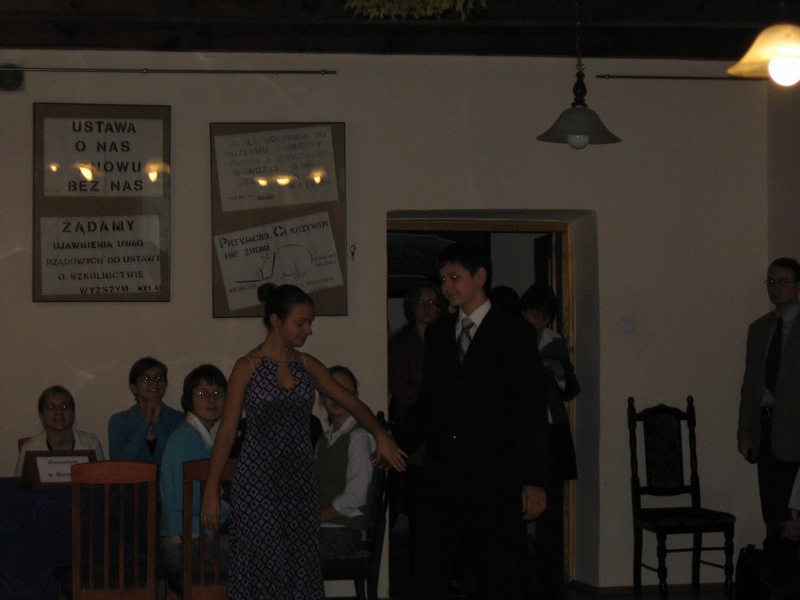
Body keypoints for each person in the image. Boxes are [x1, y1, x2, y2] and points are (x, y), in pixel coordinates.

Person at [200, 283, 406, 599]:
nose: (308, 330)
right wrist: (211, 490)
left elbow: (350, 402)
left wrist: (380, 433)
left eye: (309, 322)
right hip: (257, 483)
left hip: (299, 482)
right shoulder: (247, 367)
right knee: (265, 566)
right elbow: (227, 433)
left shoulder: (307, 364)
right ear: (275, 320)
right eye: (300, 323)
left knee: (299, 565)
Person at [400, 241, 549, 600]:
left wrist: (532, 479)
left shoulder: (514, 332)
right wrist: (395, 444)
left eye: (455, 277)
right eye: (443, 279)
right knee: (429, 570)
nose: (447, 287)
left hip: (494, 475)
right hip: (443, 472)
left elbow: (530, 409)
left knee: (497, 571)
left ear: (480, 276)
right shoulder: (439, 332)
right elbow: (428, 403)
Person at [738, 257, 800, 578]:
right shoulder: (759, 328)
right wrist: (745, 433)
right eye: (771, 282)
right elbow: (750, 385)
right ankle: (777, 581)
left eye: (783, 282)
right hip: (765, 429)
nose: (775, 288)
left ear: (797, 286)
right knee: (773, 514)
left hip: (794, 432)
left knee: (793, 517)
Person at [519, 282, 581, 600]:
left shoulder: (555, 341)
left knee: (552, 507)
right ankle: (520, 576)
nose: (538, 322)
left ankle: (549, 577)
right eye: (533, 315)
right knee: (520, 502)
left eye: (543, 317)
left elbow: (571, 389)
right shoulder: (512, 338)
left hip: (553, 430)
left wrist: (560, 374)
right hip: (522, 431)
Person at [160, 364, 230, 578]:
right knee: (264, 553)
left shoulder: (204, 436)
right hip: (186, 547)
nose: (212, 400)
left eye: (218, 393)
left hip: (198, 541)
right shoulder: (187, 438)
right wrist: (230, 509)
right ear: (189, 399)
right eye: (203, 393)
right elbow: (187, 500)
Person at [316, 365, 376, 559]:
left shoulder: (359, 437)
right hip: (323, 529)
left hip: (346, 531)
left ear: (354, 397)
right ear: (321, 398)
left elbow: (356, 496)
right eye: (330, 390)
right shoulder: (323, 441)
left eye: (344, 390)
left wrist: (315, 517)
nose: (337, 396)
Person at [388, 279, 447, 425]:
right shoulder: (400, 342)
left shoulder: (449, 339)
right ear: (412, 307)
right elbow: (398, 386)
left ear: (440, 308)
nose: (427, 307)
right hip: (411, 415)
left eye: (432, 302)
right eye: (421, 302)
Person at [16, 385, 105, 476]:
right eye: (51, 407)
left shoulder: (91, 443)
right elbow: (19, 483)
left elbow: (103, 480)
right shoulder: (29, 448)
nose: (58, 412)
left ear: (73, 413)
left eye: (64, 407)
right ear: (42, 415)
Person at [108, 356, 183, 464]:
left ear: (165, 384)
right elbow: (119, 465)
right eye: (146, 379)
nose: (154, 383)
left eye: (159, 378)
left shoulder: (178, 419)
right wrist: (145, 422)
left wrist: (157, 423)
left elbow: (176, 461)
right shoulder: (119, 421)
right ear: (133, 387)